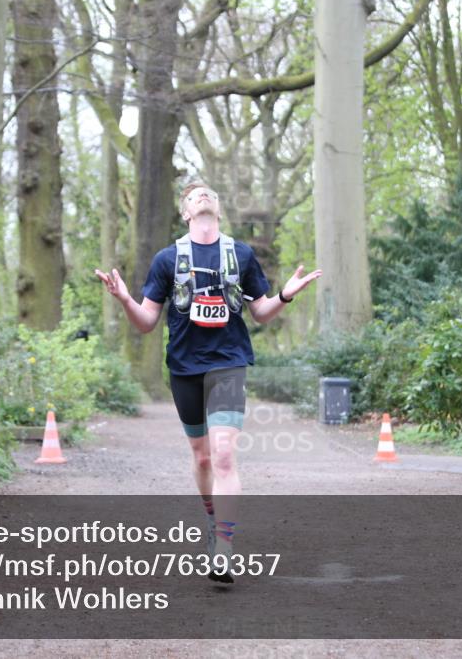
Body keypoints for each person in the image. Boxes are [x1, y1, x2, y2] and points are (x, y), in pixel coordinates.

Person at [95, 182, 321, 584]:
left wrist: (285, 294)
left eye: (209, 194)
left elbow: (261, 313)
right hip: (184, 367)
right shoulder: (167, 260)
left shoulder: (241, 255)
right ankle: (213, 519)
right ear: (185, 213)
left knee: (223, 456)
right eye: (194, 196)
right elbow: (147, 323)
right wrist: (126, 300)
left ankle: (224, 546)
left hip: (229, 364)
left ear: (218, 209)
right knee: (201, 458)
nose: (203, 197)